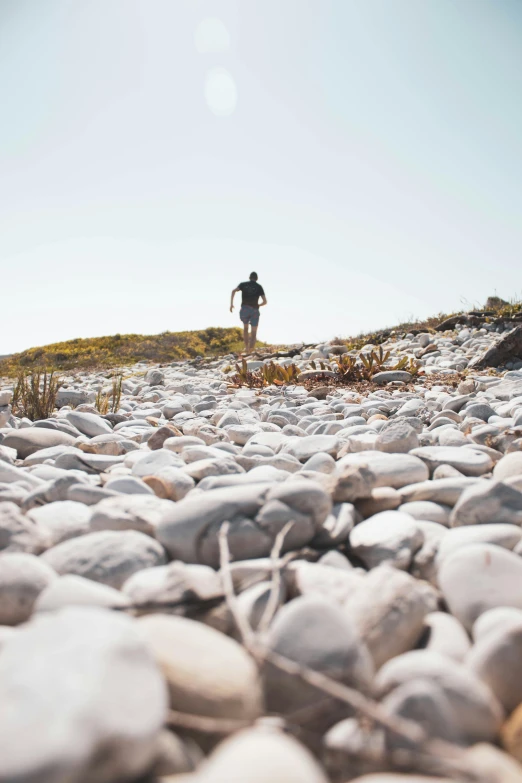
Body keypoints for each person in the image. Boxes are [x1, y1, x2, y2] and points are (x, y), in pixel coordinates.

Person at [230, 272, 267, 353]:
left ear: (249, 277)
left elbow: (233, 291)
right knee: (254, 332)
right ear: (257, 278)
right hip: (254, 310)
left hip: (244, 309)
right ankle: (250, 350)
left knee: (245, 328)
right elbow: (265, 301)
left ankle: (246, 348)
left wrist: (231, 304)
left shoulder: (243, 284)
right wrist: (258, 305)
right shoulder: (259, 287)